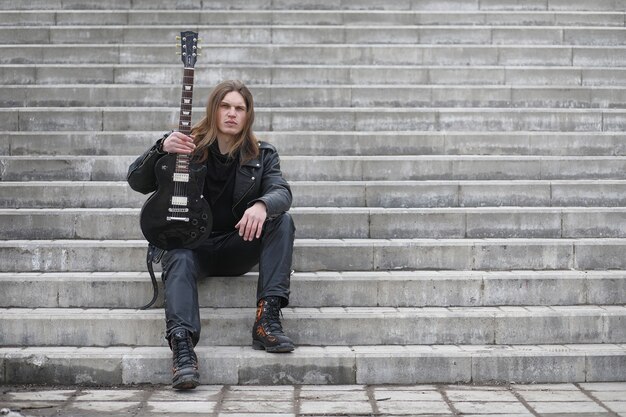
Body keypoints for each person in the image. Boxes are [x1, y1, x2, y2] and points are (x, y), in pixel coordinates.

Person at [127, 80, 296, 390]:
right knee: (176, 253)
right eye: (225, 106)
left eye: (239, 108)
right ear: (213, 109)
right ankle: (183, 350)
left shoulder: (262, 154)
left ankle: (267, 320)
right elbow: (137, 181)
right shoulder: (186, 148)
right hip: (192, 247)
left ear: (248, 115)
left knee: (282, 221)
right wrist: (159, 148)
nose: (232, 113)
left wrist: (261, 204)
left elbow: (281, 190)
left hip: (236, 245)